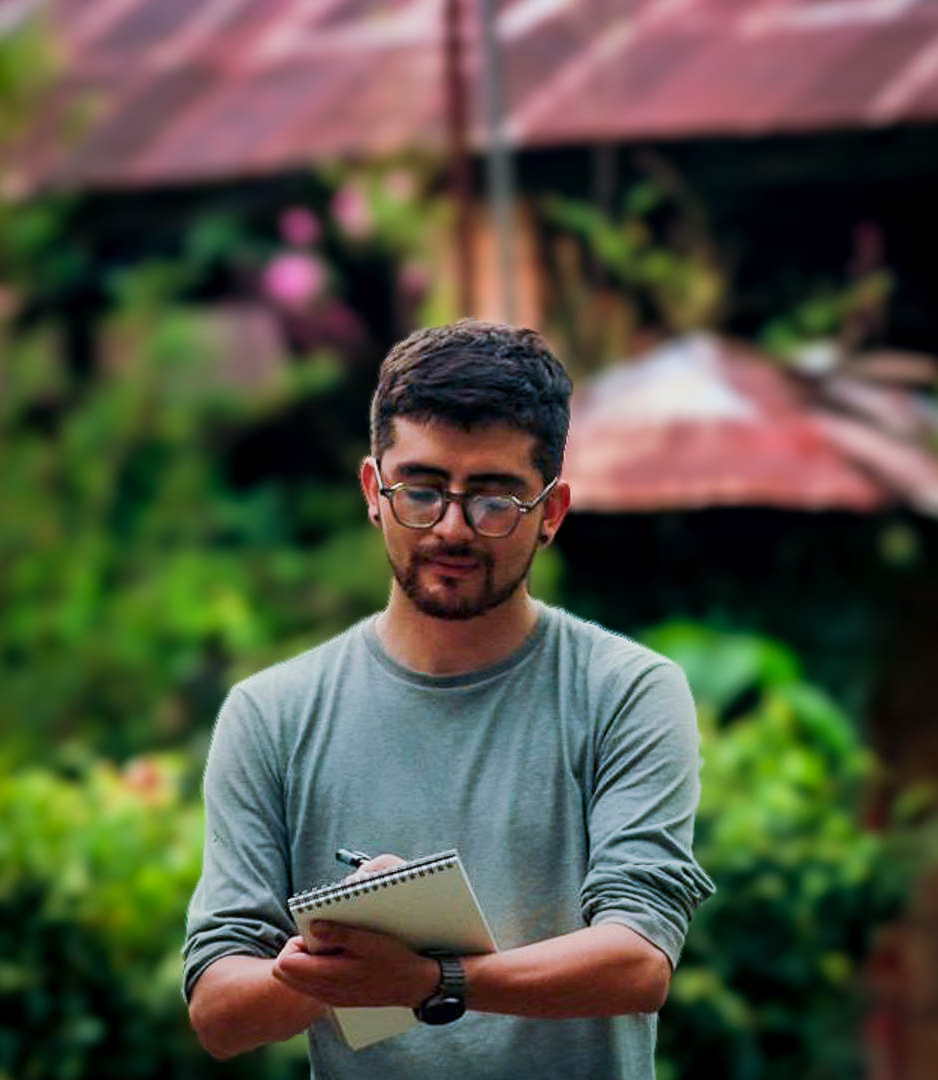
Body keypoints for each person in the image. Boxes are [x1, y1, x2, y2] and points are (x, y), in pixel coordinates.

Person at [182, 319, 715, 1079]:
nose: (452, 528)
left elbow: (639, 960)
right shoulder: (272, 715)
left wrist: (433, 980)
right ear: (374, 491)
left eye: (494, 499)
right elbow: (218, 1010)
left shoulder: (625, 693)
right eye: (423, 492)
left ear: (552, 511)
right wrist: (335, 954)